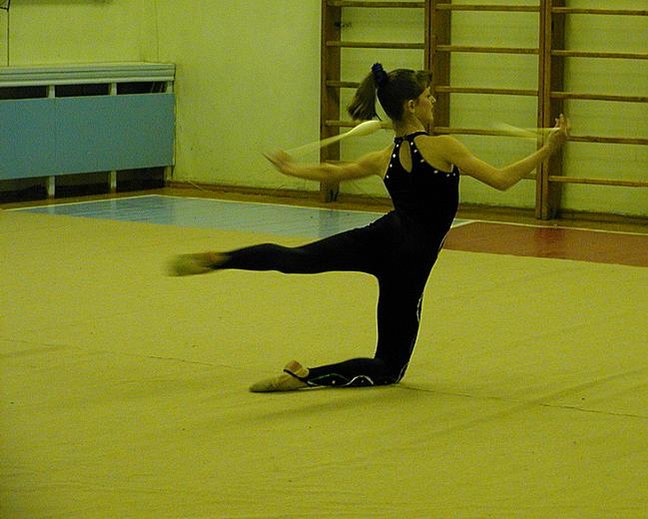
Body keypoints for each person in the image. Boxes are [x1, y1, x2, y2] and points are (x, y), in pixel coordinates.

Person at [169, 63, 569, 392]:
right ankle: (306, 376)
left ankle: (222, 259)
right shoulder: (444, 147)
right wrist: (547, 150)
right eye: (429, 97)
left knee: (295, 259)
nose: (433, 102)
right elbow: (502, 179)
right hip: (408, 264)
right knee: (389, 368)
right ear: (411, 106)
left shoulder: (383, 157)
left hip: (380, 238)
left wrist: (293, 169)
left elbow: (334, 171)